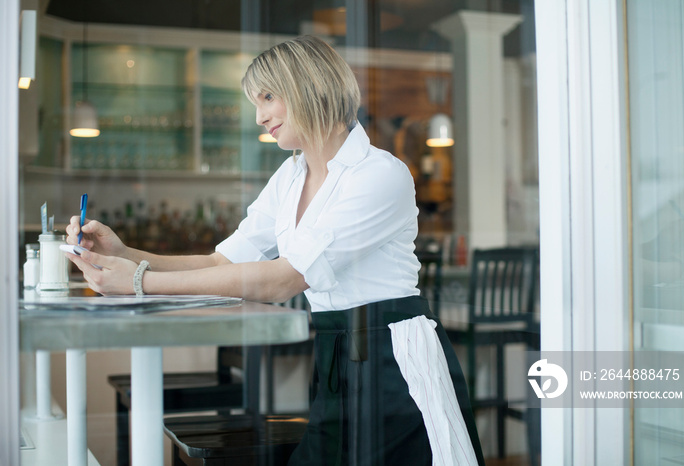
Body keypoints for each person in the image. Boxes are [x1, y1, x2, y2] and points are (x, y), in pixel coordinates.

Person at [66, 35, 484, 466]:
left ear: (309, 86)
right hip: (334, 352)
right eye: (255, 103)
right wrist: (129, 253)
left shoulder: (379, 174)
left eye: (268, 97)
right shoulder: (290, 176)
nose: (260, 116)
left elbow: (284, 278)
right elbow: (222, 261)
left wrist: (138, 282)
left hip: (395, 362)